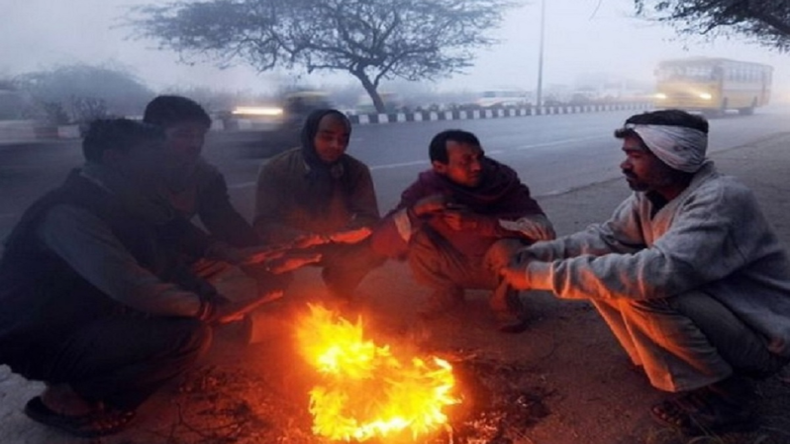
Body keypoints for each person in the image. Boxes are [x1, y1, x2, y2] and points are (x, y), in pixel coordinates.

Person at [500, 109, 790, 435]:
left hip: (763, 339)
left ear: (674, 157)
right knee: (613, 268)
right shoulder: (649, 196)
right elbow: (608, 238)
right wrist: (538, 254)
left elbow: (655, 275)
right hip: (721, 314)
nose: (625, 164)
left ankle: (728, 400)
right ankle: (660, 362)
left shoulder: (721, 198)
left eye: (635, 155)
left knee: (643, 288)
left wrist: (539, 276)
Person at [0, 119, 278, 438]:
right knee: (190, 336)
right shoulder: (68, 212)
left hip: (80, 313)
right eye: (151, 156)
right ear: (114, 158)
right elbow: (130, 285)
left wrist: (217, 297)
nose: (162, 164)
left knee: (191, 306)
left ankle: (102, 369)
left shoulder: (121, 199)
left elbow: (166, 257)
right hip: (40, 336)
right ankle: (69, 396)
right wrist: (207, 310)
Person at [370, 129, 555, 332]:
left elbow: (544, 231)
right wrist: (418, 210)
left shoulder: (502, 180)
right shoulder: (427, 187)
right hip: (452, 263)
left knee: (511, 248)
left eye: (479, 157)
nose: (477, 167)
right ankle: (447, 292)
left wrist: (478, 222)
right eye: (465, 161)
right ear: (440, 167)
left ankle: (505, 302)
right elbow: (381, 240)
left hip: (495, 267)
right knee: (415, 231)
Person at [143, 95, 315, 293]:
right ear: (153, 135)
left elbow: (225, 222)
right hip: (128, 261)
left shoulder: (203, 175)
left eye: (199, 135)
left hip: (174, 254)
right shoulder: (128, 174)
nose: (195, 144)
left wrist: (266, 266)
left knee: (230, 258)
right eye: (183, 135)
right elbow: (162, 230)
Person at [253, 108, 384, 303]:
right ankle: (272, 299)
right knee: (262, 261)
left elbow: (370, 217)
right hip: (289, 247)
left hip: (335, 244)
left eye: (343, 140)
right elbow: (263, 222)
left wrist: (340, 235)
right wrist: (296, 237)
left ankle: (339, 287)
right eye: (327, 137)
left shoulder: (356, 171)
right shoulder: (277, 169)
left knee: (381, 244)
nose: (335, 145)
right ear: (310, 135)